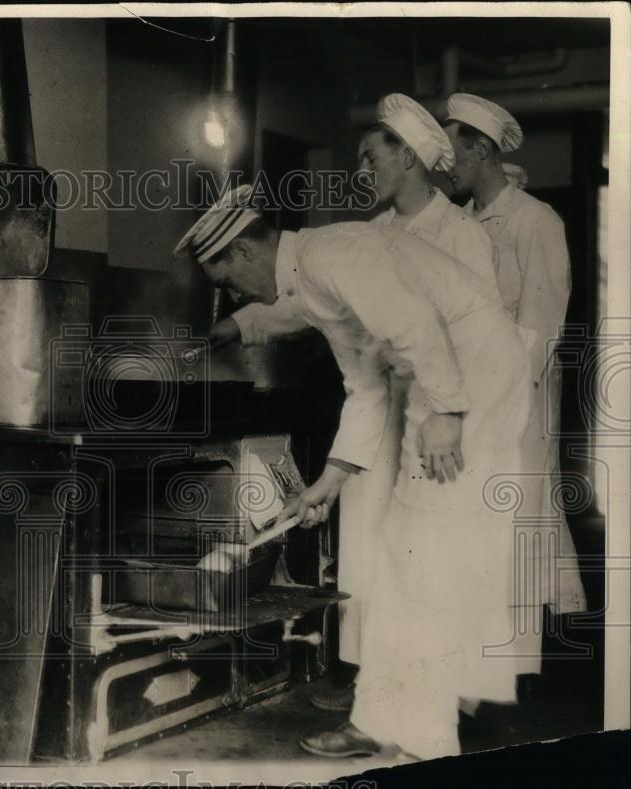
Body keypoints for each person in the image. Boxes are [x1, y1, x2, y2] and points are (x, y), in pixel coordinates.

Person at [175, 185, 530, 760]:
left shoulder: (333, 256)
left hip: (471, 374)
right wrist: (328, 483)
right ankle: (383, 719)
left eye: (227, 283)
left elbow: (417, 325)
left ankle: (424, 739)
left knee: (424, 549)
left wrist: (446, 411)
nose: (236, 295)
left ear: (241, 254)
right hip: (450, 374)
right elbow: (364, 386)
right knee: (406, 549)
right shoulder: (312, 279)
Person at [443, 93, 587, 679]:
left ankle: (514, 667)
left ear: (480, 149)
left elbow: (540, 326)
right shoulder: (461, 225)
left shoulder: (536, 222)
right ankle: (474, 662)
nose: (444, 166)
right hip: (467, 400)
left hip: (517, 404)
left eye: (452, 151)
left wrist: (494, 398)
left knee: (518, 521)